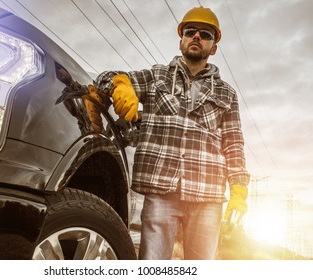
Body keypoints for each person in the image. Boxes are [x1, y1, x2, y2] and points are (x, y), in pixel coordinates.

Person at [93, 6, 250, 260]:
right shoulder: (156, 77)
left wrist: (239, 191)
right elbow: (105, 78)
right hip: (161, 190)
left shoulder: (227, 94)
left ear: (214, 47)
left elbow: (234, 145)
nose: (197, 36)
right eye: (190, 32)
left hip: (208, 195)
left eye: (205, 34)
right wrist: (119, 84)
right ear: (181, 42)